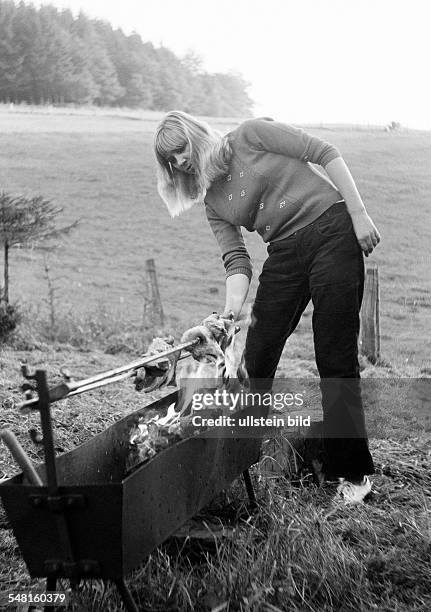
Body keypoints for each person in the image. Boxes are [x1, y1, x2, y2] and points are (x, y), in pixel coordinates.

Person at [154, 110, 380, 504]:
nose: (178, 162)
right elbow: (237, 262)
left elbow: (325, 151)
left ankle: (354, 472)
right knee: (253, 360)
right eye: (169, 161)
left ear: (195, 136)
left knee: (334, 357)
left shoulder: (251, 135)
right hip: (285, 253)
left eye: (179, 150)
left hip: (332, 230)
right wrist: (229, 315)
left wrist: (358, 215)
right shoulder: (212, 202)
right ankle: (235, 459)